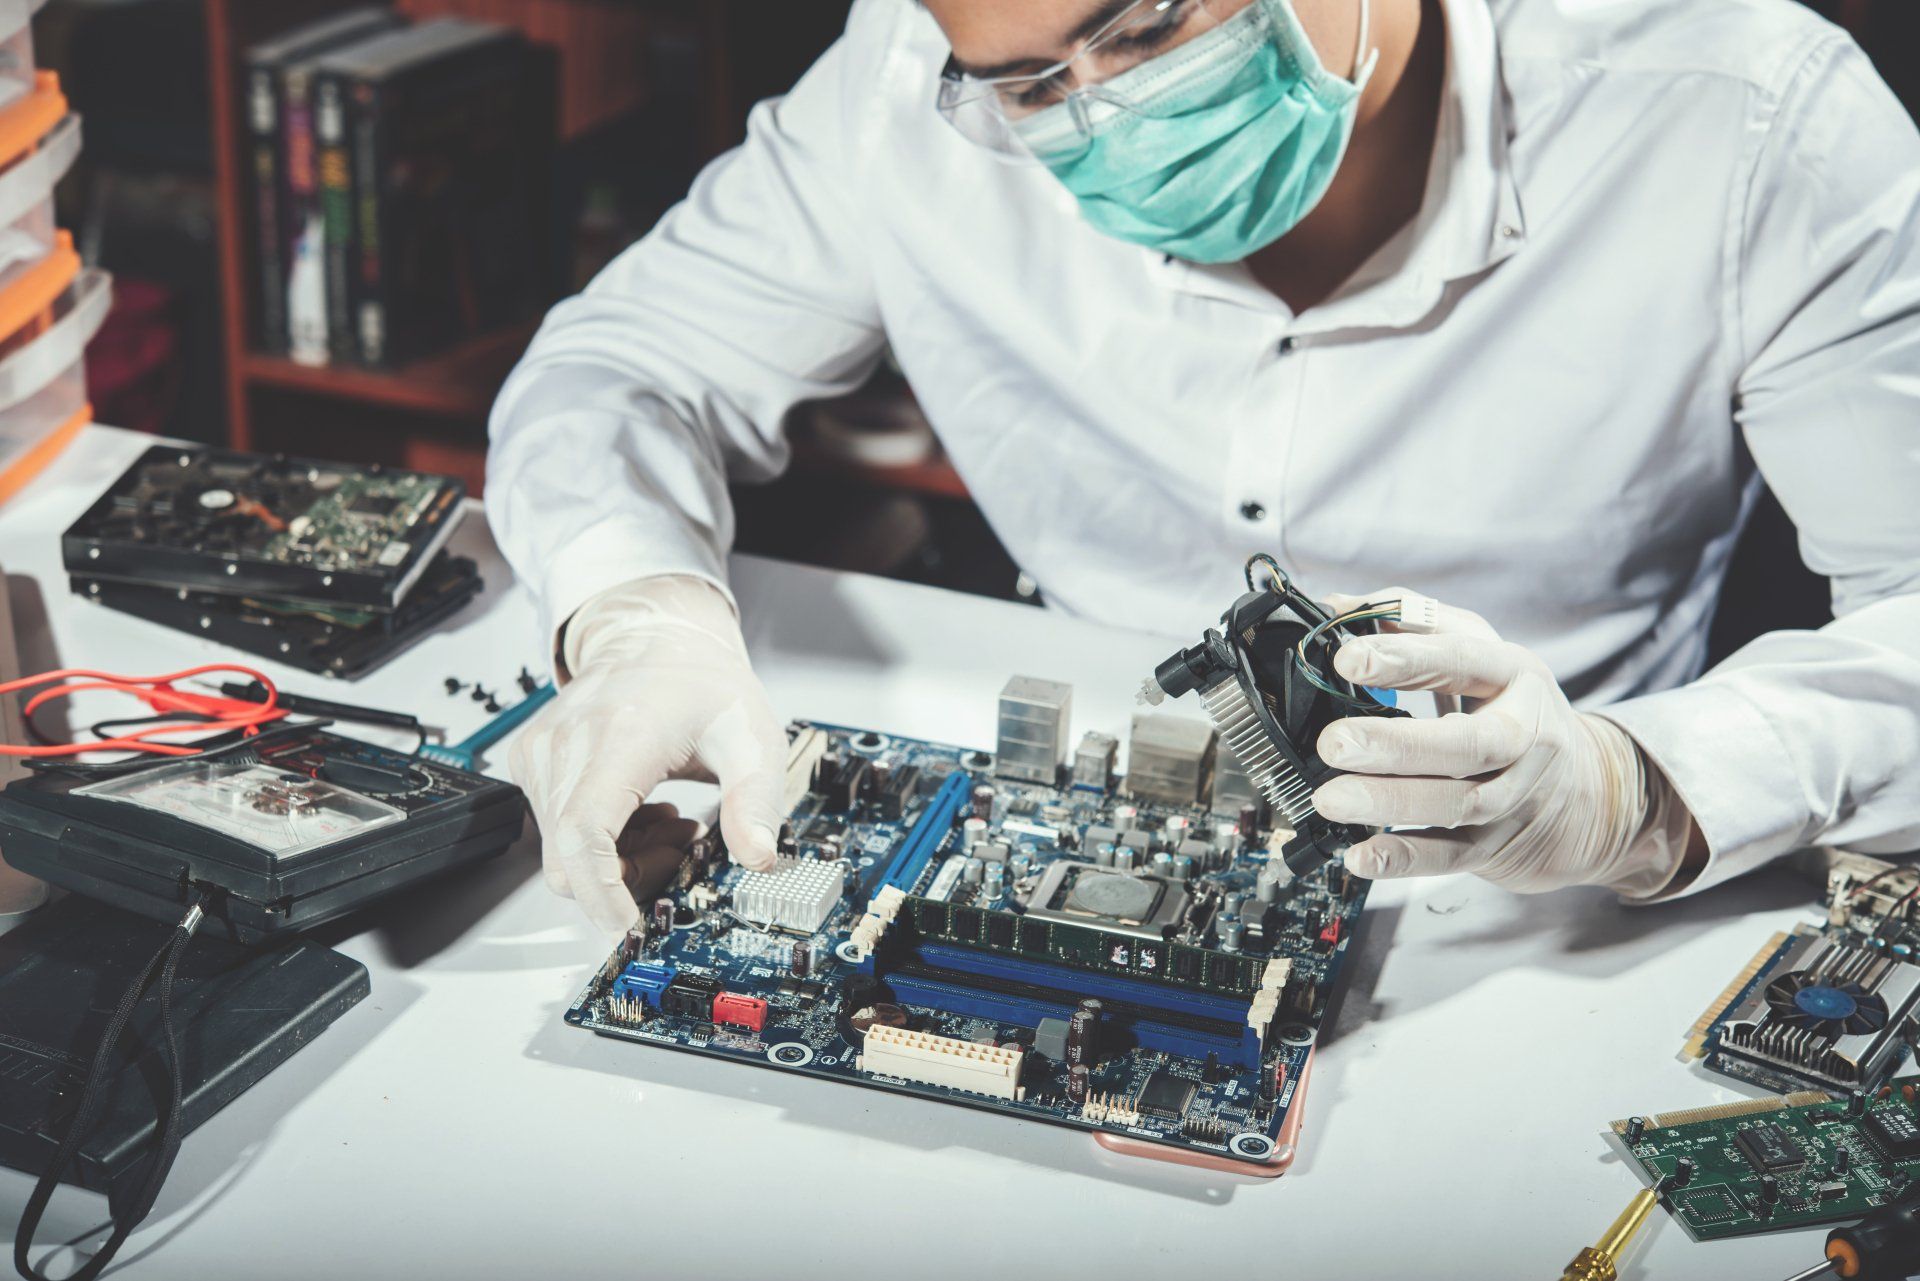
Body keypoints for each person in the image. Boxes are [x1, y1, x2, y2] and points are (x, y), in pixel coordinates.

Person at [488, 0, 1920, 933]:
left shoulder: (1740, 110)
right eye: (1029, 84)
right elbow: (617, 365)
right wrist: (637, 614)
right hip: (1054, 819)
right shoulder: (900, 90)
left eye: (1150, 25)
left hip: (1567, 902)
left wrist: (1628, 789)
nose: (1102, 114)